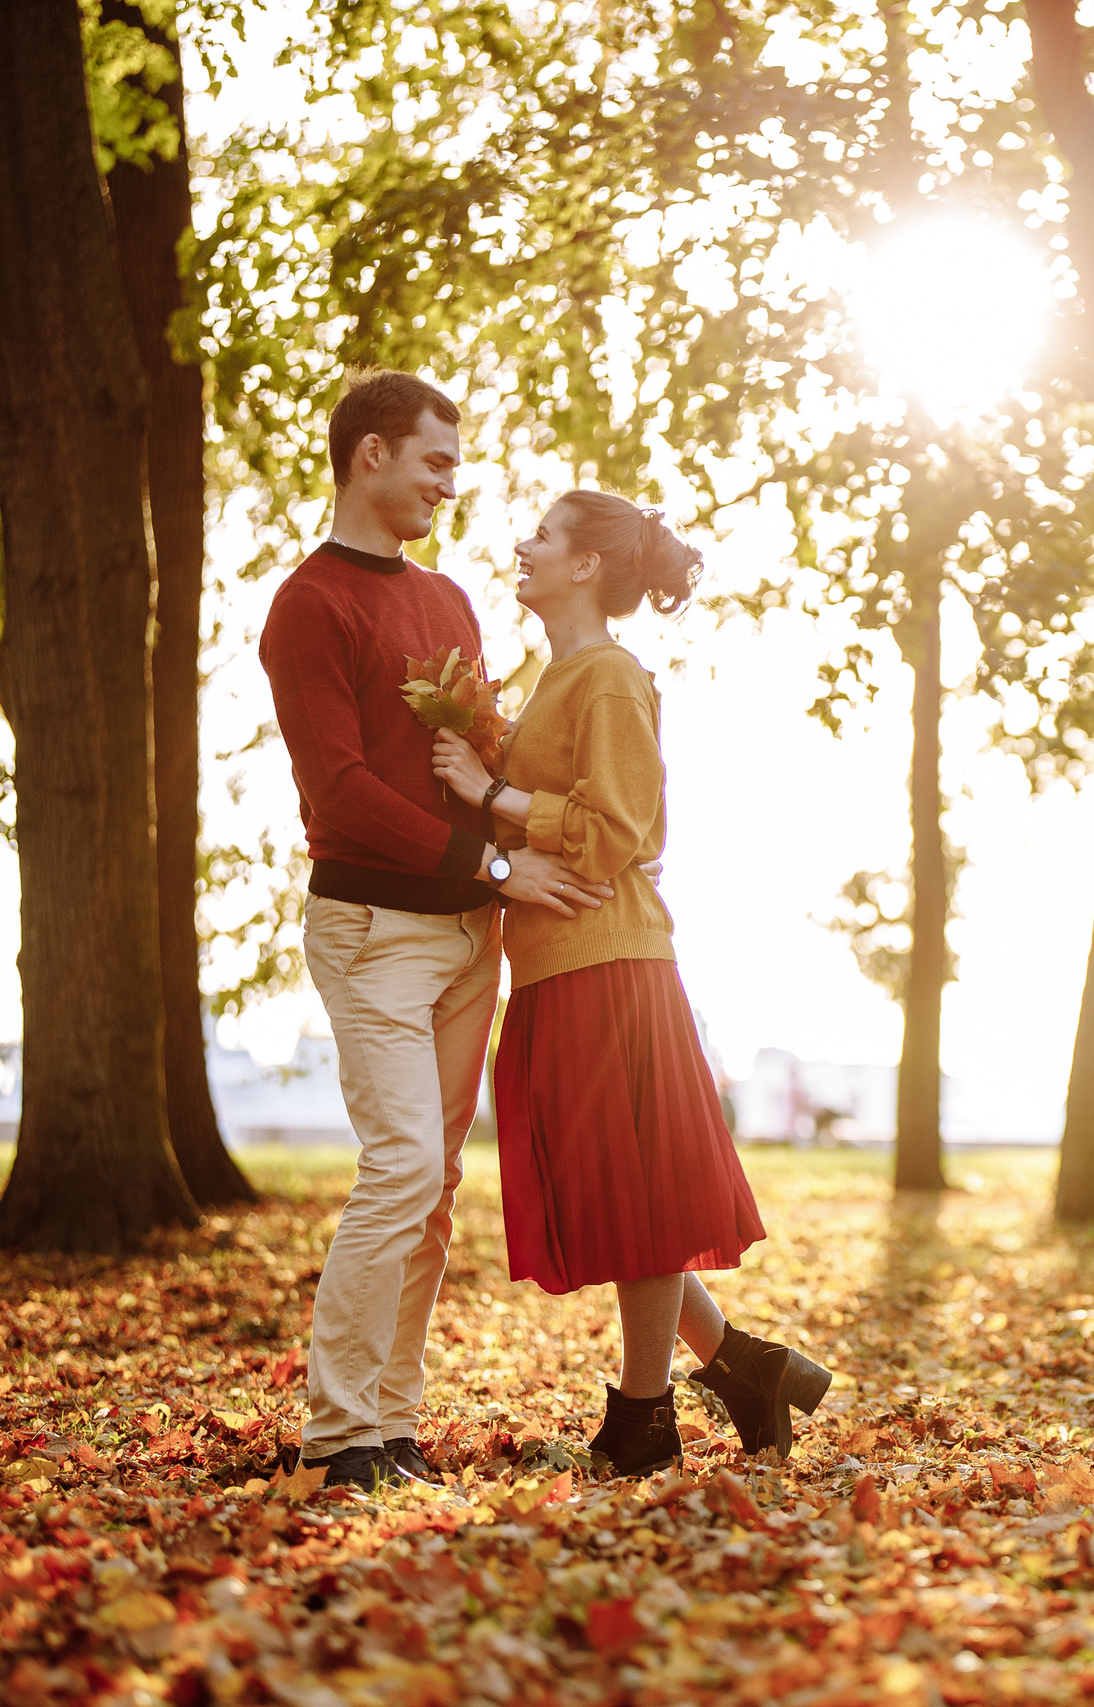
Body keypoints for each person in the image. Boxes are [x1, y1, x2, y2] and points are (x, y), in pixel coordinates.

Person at [260, 372, 616, 1490]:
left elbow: (481, 754)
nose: (448, 487)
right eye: (435, 462)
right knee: (404, 1164)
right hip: (372, 929)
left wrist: (560, 819)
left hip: (470, 937)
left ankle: (390, 1427)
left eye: (453, 466)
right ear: (370, 454)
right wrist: (496, 864)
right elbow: (340, 790)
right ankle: (336, 1436)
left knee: (436, 1184)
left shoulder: (449, 600)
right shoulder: (309, 605)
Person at [430, 489, 833, 1476]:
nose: (522, 544)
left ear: (585, 567)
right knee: (616, 1194)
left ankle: (646, 1418)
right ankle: (746, 1367)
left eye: (544, 535)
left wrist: (491, 792)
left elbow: (621, 830)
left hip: (609, 962)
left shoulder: (609, 676)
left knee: (636, 1199)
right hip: (559, 964)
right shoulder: (560, 677)